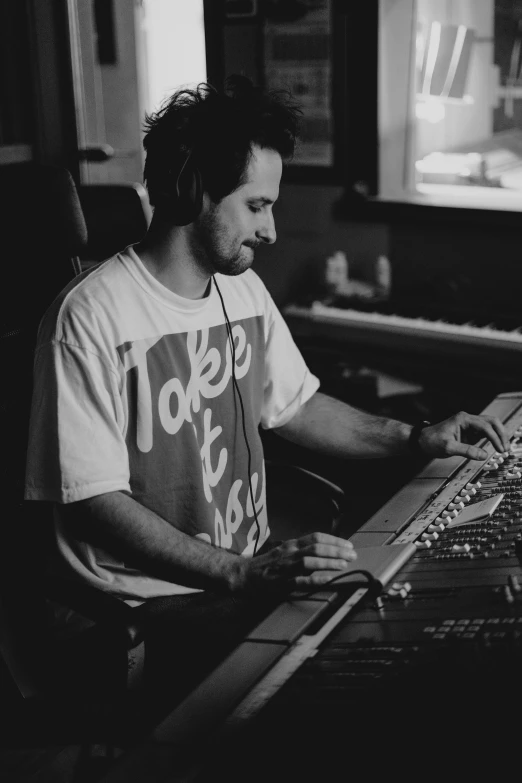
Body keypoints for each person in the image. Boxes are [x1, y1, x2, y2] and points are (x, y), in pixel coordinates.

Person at [25, 76, 509, 698]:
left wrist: (416, 437)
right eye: (257, 206)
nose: (273, 230)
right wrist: (241, 573)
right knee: (355, 674)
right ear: (194, 191)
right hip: (143, 606)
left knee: (385, 625)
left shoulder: (241, 289)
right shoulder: (88, 318)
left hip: (237, 575)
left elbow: (297, 406)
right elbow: (93, 501)